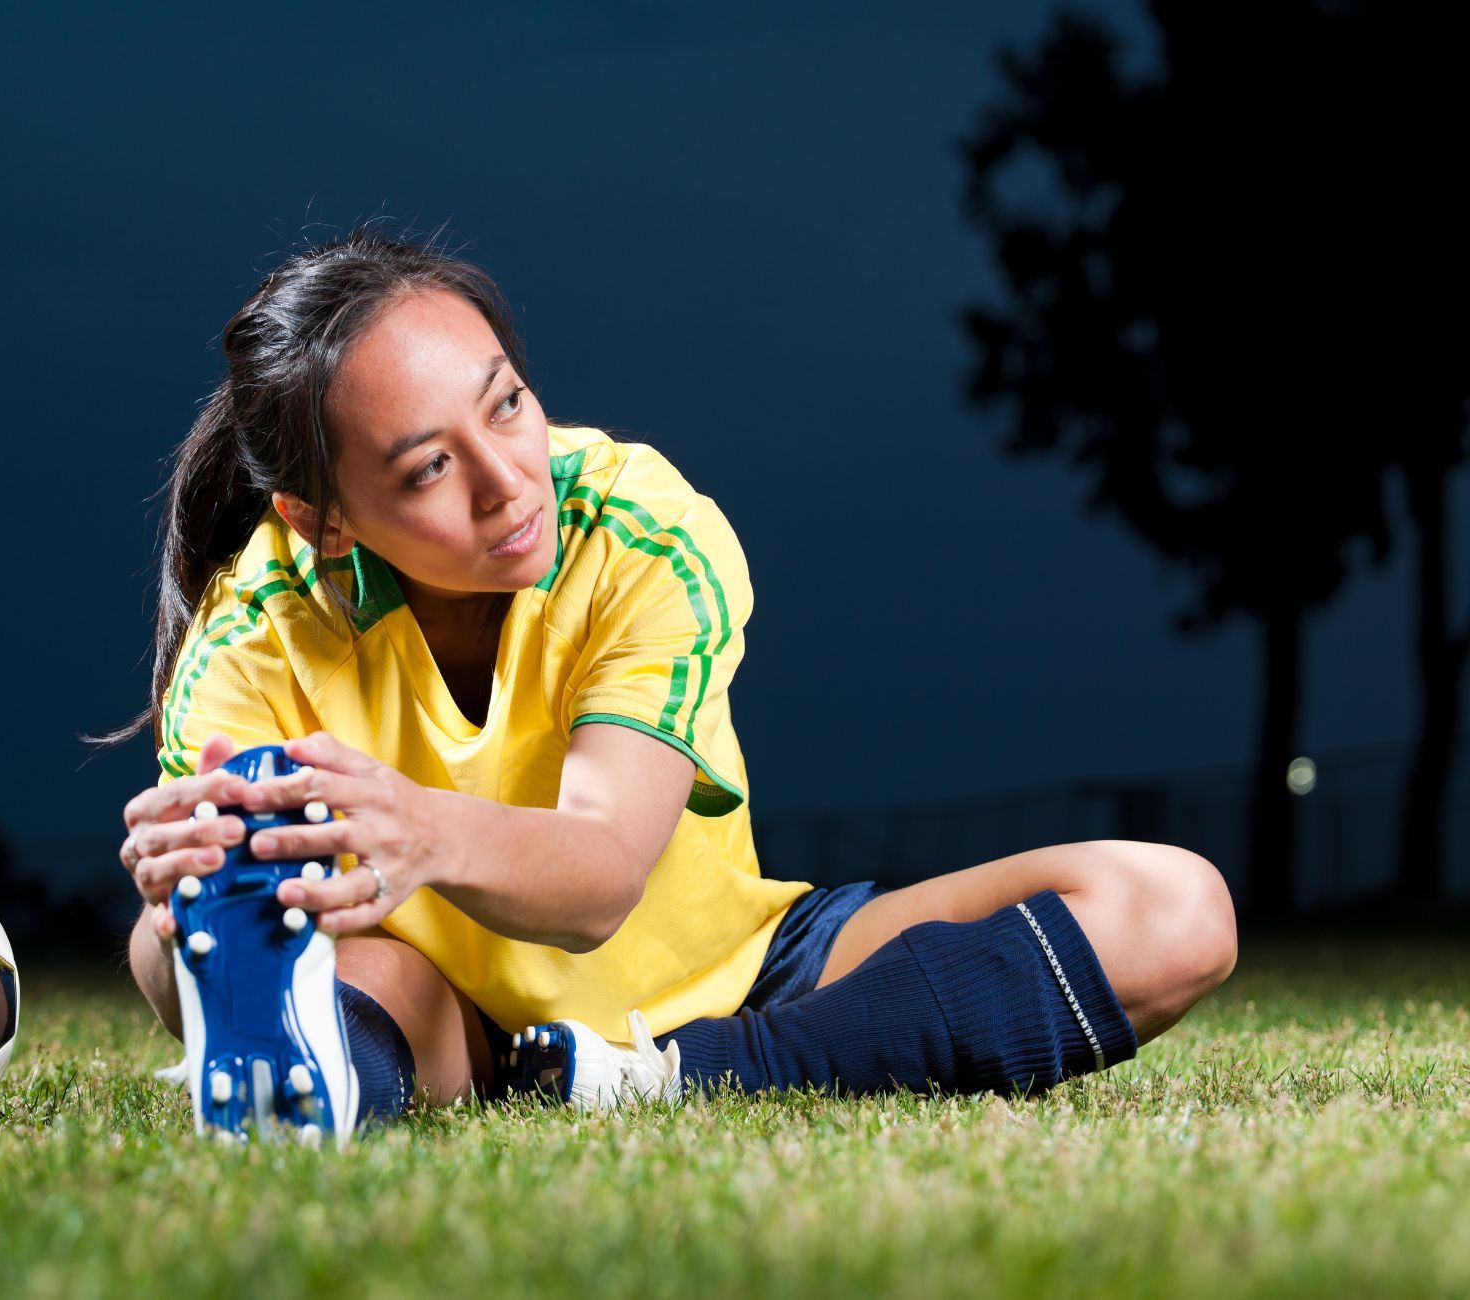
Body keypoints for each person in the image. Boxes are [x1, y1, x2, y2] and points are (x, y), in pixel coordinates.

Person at [107, 223, 1238, 1123]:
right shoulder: (254, 627)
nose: (509, 481)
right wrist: (185, 915)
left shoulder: (641, 528)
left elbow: (600, 876)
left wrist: (423, 828)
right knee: (219, 953)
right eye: (428, 468)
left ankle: (689, 1073)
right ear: (322, 521)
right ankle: (322, 1090)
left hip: (742, 970)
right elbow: (185, 951)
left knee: (1172, 908)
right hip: (456, 1014)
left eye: (505, 402)